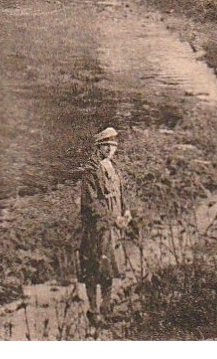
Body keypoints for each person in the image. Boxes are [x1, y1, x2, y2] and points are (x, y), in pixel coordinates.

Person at [78, 127, 130, 318]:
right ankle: (93, 309)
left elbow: (121, 193)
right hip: (97, 228)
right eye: (105, 145)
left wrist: (126, 211)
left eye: (112, 145)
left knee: (109, 267)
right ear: (98, 147)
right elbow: (90, 203)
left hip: (113, 226)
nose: (109, 149)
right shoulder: (91, 171)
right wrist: (112, 218)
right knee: (93, 267)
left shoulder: (113, 167)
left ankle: (106, 306)